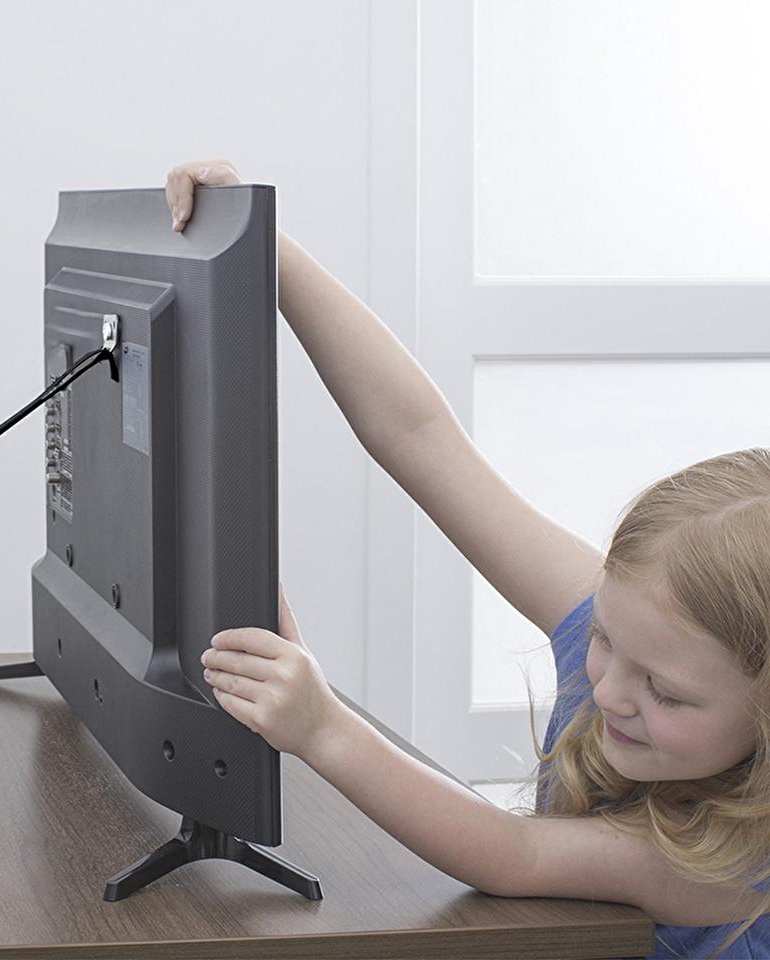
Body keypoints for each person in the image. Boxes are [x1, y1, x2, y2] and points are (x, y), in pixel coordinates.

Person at [166, 160, 770, 959]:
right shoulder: (650, 623)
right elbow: (421, 439)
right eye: (603, 638)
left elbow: (513, 855)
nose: (608, 691)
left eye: (665, 692)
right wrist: (268, 248)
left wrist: (323, 727)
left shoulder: (732, 868)